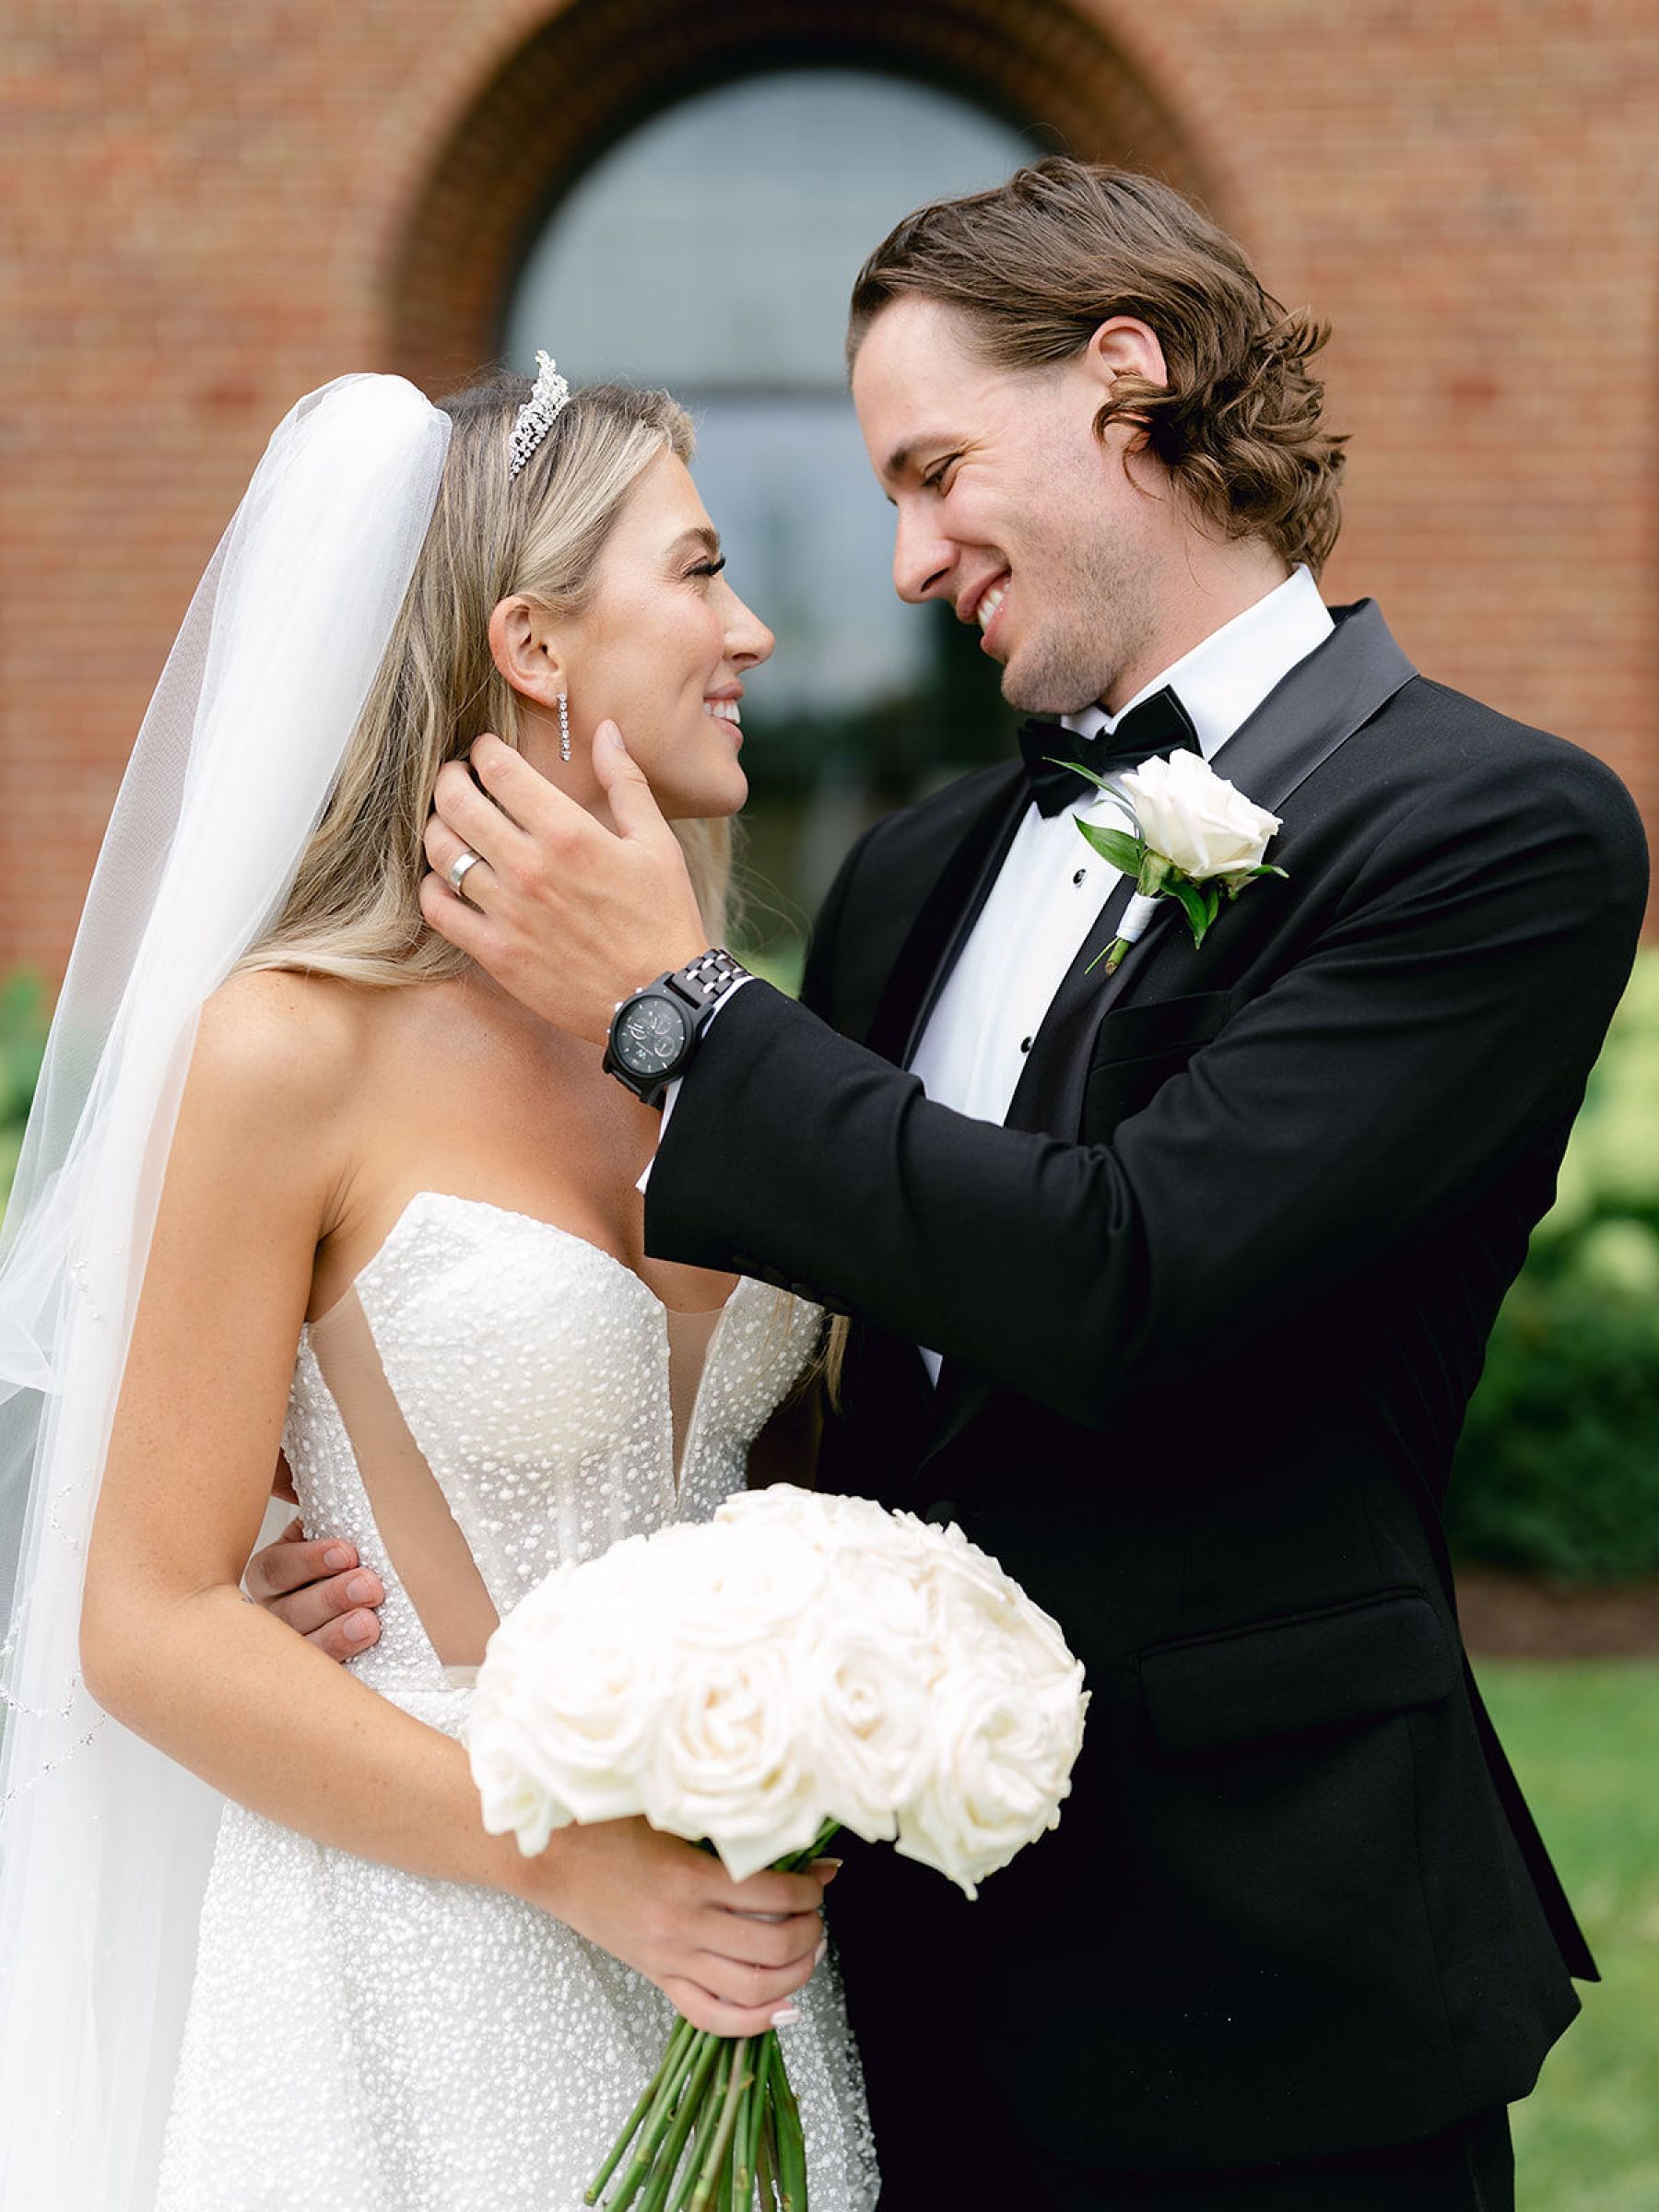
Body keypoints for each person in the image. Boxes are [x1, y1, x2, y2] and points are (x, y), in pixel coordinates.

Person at [266, 163, 1647, 2206]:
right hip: (872, 1980)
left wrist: (681, 1007)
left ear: (1124, 385)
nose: (902, 561)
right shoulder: (917, 874)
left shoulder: (1494, 830)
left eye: (931, 470)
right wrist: (397, 1565)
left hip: (1272, 1988)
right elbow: (841, 1391)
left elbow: (1133, 1278)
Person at [0, 366, 875, 2210]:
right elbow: (148, 1621)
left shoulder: (733, 1042)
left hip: (740, 1962)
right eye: (702, 573)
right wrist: (568, 1861)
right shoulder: (289, 1051)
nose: (755, 629)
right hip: (409, 1944)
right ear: (535, 643)